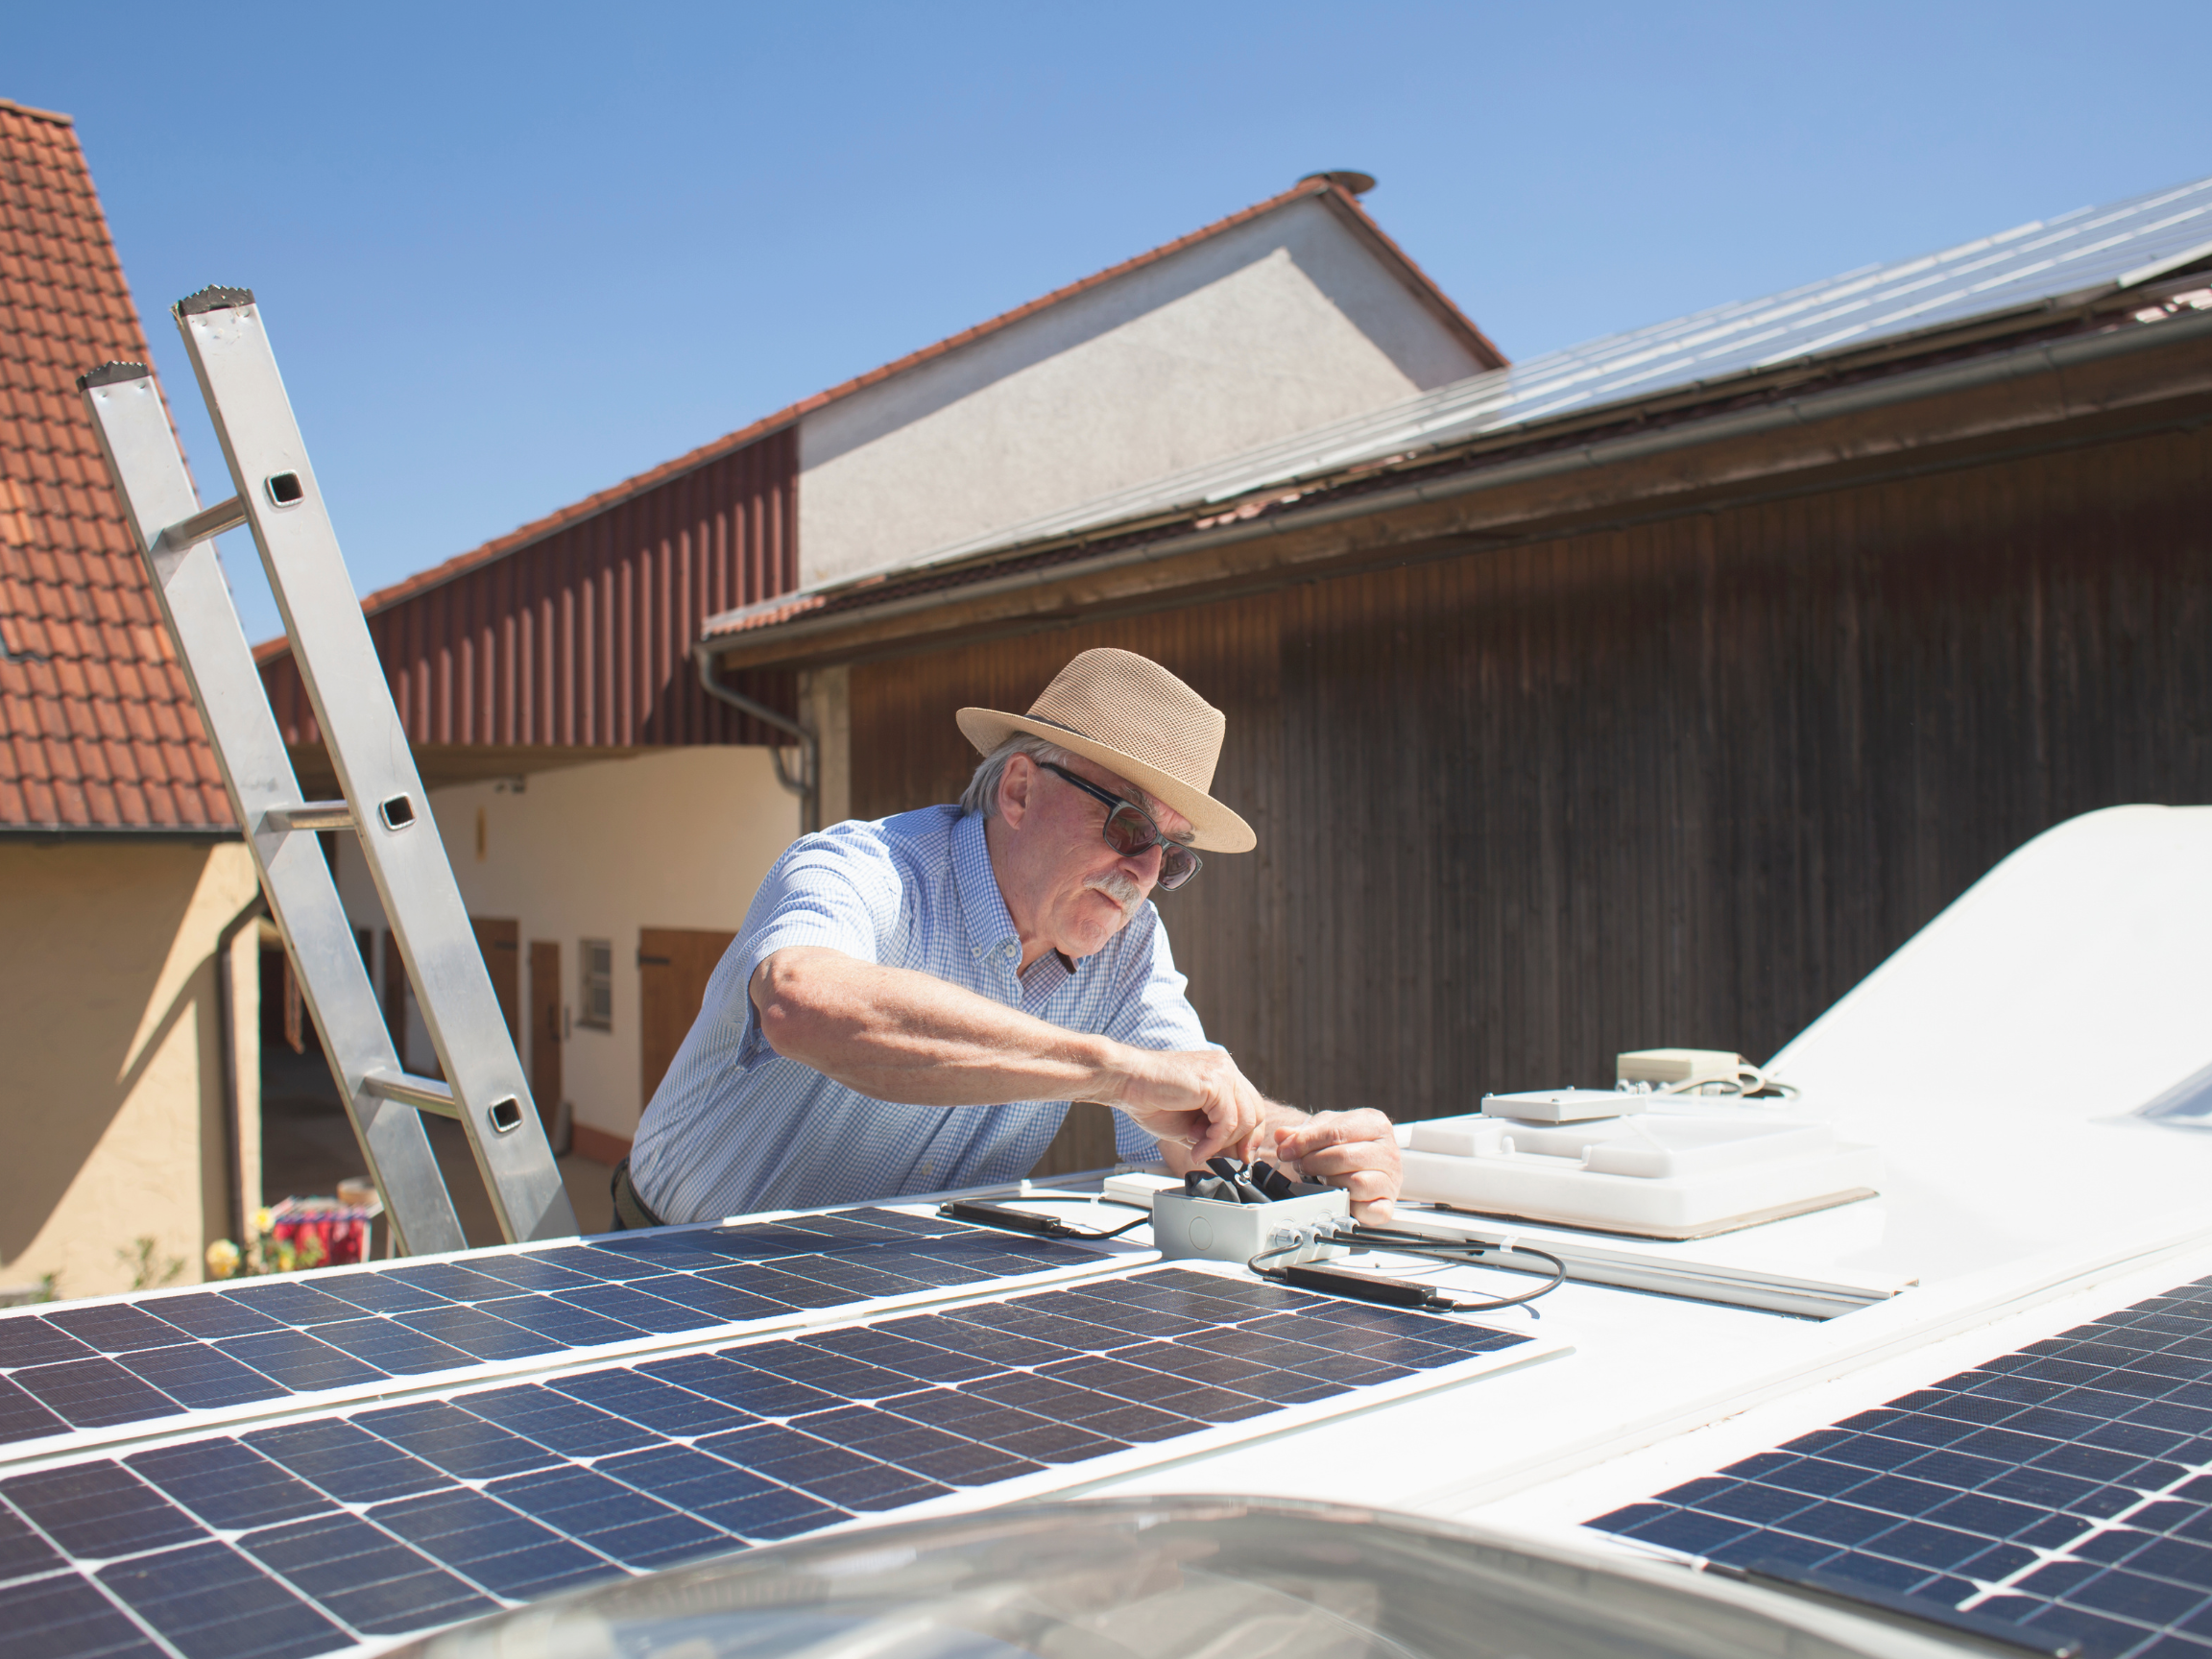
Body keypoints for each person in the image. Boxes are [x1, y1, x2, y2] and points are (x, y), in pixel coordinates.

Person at [620, 647, 1401, 1228]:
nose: (1144, 869)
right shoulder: (866, 867)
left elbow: (1198, 1132)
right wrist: (1112, 1071)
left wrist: (1307, 1151)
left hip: (884, 1305)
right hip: (674, 1274)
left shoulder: (1127, 945)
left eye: (1172, 851)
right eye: (1129, 823)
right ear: (1022, 789)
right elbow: (801, 1002)